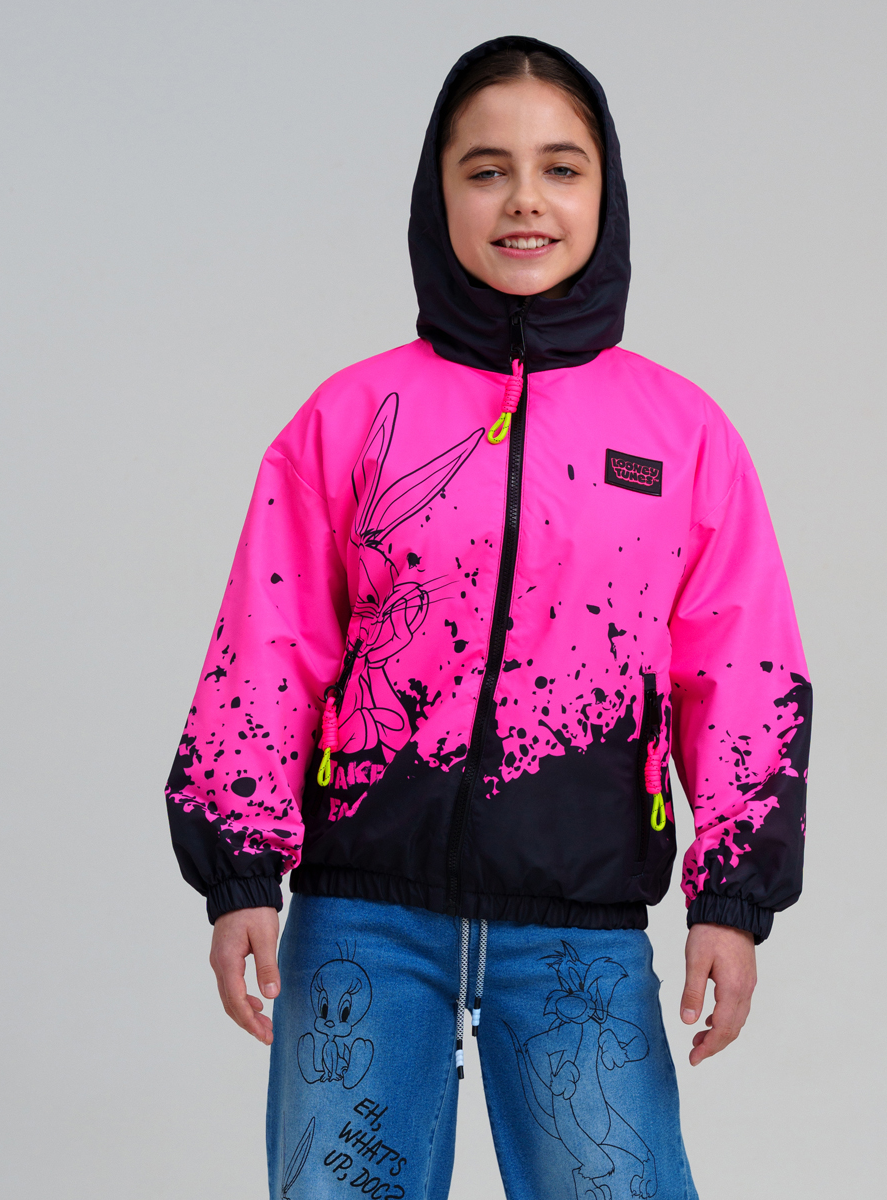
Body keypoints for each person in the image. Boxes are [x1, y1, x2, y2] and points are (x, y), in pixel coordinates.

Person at [166, 35, 811, 1200]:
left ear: (605, 193)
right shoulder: (353, 416)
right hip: (363, 923)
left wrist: (734, 897)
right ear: (439, 191)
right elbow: (270, 646)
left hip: (580, 933)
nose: (525, 200)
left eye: (561, 167)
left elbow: (743, 668)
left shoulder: (682, 435)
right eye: (486, 169)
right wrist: (241, 872)